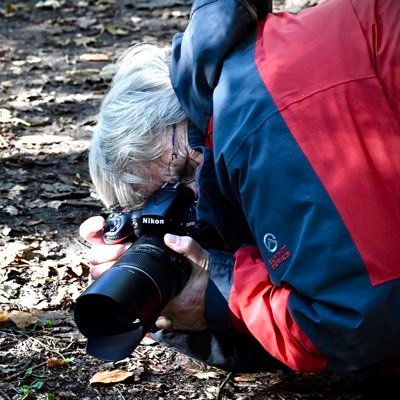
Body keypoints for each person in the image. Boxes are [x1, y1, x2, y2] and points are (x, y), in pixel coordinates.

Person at [79, 0, 400, 373]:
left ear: (182, 113)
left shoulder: (256, 113)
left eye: (182, 171)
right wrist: (166, 302)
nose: (194, 201)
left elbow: (356, 321)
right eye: (165, 203)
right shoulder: (254, 67)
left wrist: (223, 294)